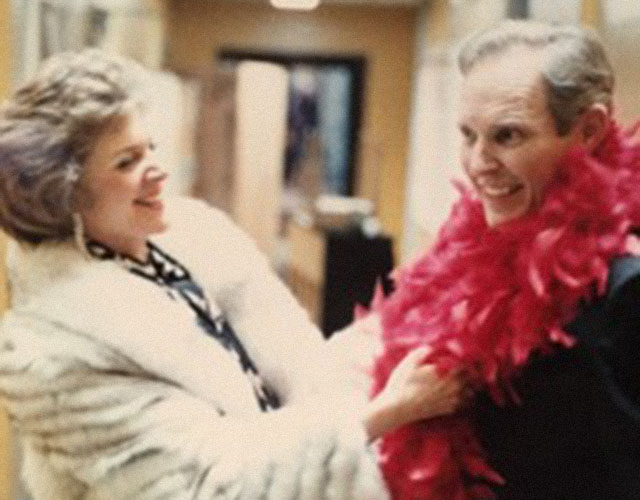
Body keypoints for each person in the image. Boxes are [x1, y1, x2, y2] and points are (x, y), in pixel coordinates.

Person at [0, 50, 464, 500]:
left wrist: (387, 333)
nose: (158, 171)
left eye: (150, 149)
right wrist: (385, 412)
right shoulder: (55, 352)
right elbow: (207, 484)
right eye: (127, 161)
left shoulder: (192, 247)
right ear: (65, 192)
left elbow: (295, 388)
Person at [369, 20, 640, 500]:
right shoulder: (462, 255)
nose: (478, 163)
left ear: (590, 130)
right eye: (468, 135)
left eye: (508, 136)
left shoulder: (624, 291)